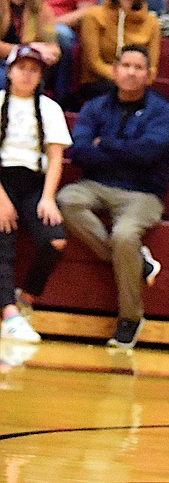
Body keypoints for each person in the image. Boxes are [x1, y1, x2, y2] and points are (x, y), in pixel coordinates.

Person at [58, 44, 169, 349]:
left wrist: (105, 144)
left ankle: (130, 319)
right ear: (115, 70)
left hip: (143, 193)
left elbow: (149, 154)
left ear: (149, 75)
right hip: (96, 184)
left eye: (139, 68)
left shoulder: (162, 111)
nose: (132, 72)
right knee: (67, 199)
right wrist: (123, 152)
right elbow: (80, 150)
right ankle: (137, 262)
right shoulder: (95, 107)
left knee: (124, 235)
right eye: (126, 66)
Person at [0, 46, 70, 343]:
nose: (27, 74)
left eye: (34, 69)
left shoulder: (49, 108)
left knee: (55, 239)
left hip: (33, 183)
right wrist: (1, 199)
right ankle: (9, 315)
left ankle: (26, 297)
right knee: (4, 241)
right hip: (2, 181)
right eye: (22, 68)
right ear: (10, 71)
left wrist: (48, 197)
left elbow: (55, 157)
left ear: (40, 76)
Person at [76, 0, 160, 107]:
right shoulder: (94, 16)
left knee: (158, 105)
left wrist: (134, 80)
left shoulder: (152, 23)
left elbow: (151, 68)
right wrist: (122, 78)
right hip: (98, 83)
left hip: (136, 85)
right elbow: (94, 63)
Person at [0, 0, 59, 72]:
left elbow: (52, 43)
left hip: (28, 61)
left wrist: (50, 52)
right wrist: (25, 50)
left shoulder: (40, 6)